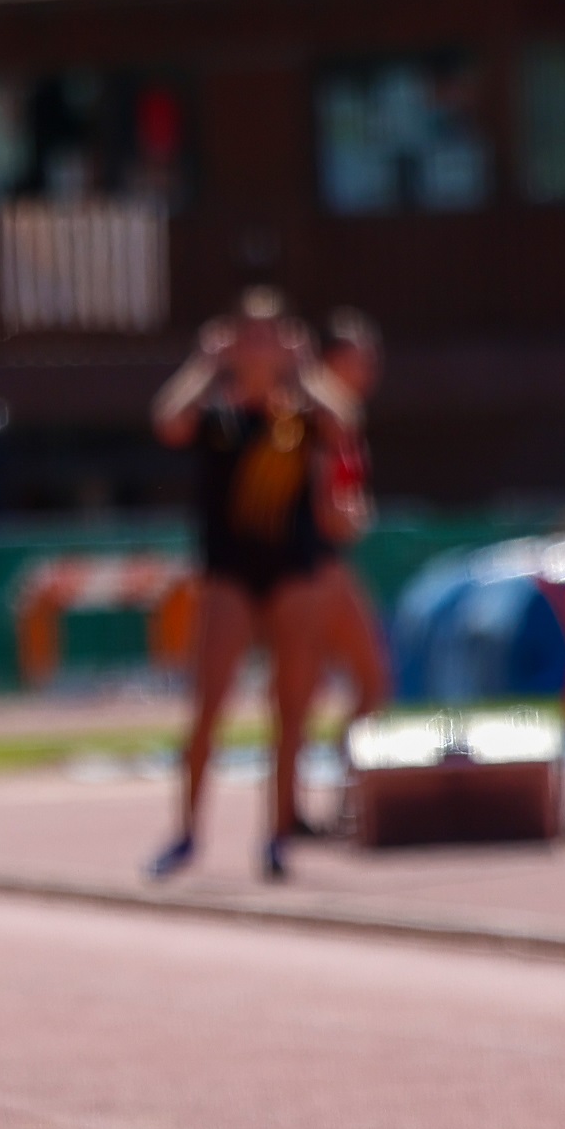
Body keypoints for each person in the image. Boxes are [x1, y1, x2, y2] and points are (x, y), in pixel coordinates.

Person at [150, 290, 350, 883]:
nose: (260, 346)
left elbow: (345, 422)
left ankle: (278, 837)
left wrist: (304, 366)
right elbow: (168, 421)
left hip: (292, 573)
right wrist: (205, 363)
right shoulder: (220, 417)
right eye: (249, 335)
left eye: (270, 334)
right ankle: (186, 832)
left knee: (291, 709)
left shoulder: (301, 416)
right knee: (208, 706)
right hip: (229, 574)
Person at [309, 309, 392, 807]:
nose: (370, 369)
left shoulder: (346, 416)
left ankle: (343, 793)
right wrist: (343, 514)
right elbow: (321, 501)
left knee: (362, 681)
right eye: (361, 358)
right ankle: (338, 796)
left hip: (330, 561)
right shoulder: (317, 415)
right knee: (367, 678)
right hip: (314, 564)